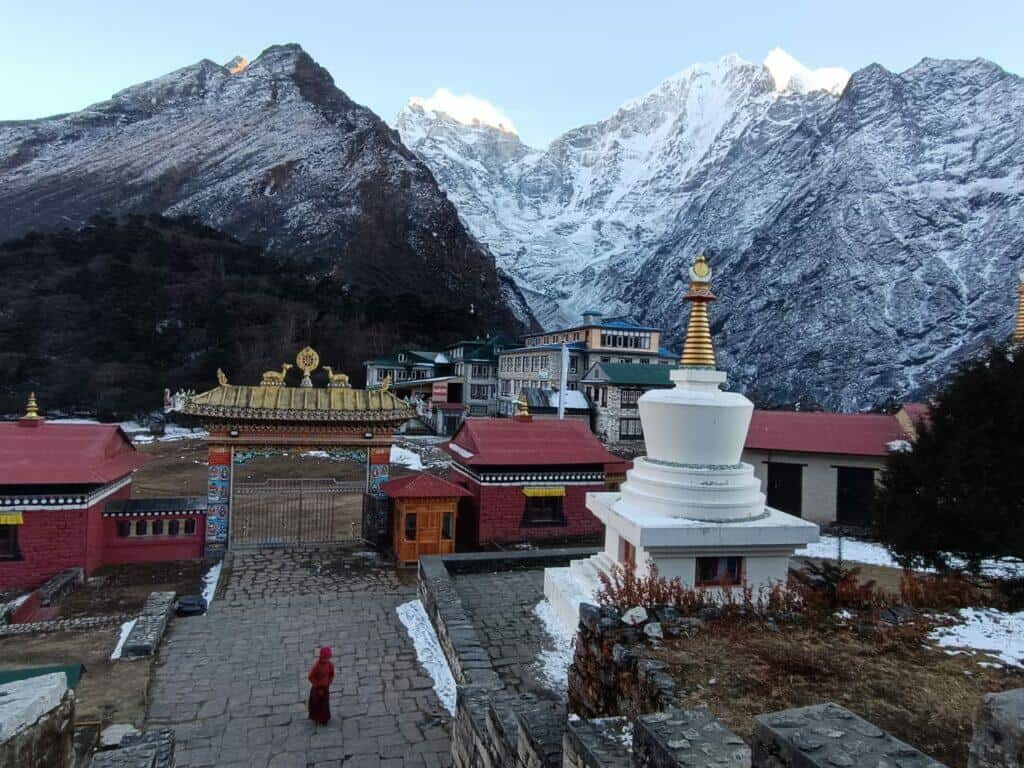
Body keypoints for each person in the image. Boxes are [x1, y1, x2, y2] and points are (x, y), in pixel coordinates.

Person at [307, 646, 335, 725]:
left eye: (328, 658)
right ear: (321, 657)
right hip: (317, 689)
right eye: (325, 658)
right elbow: (310, 676)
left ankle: (324, 719)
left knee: (325, 704)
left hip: (325, 688)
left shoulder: (330, 665)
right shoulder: (316, 666)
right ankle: (315, 717)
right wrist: (316, 684)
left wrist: (329, 681)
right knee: (316, 703)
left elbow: (331, 674)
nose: (326, 660)